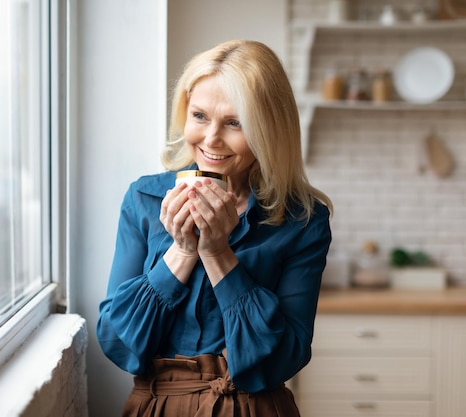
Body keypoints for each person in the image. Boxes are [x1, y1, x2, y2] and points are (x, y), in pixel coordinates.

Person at [97, 40, 333, 417]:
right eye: (200, 116)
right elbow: (116, 341)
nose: (210, 139)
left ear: (269, 129)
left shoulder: (303, 220)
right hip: (158, 406)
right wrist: (183, 251)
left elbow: (286, 356)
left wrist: (218, 252)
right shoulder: (143, 199)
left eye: (235, 123)